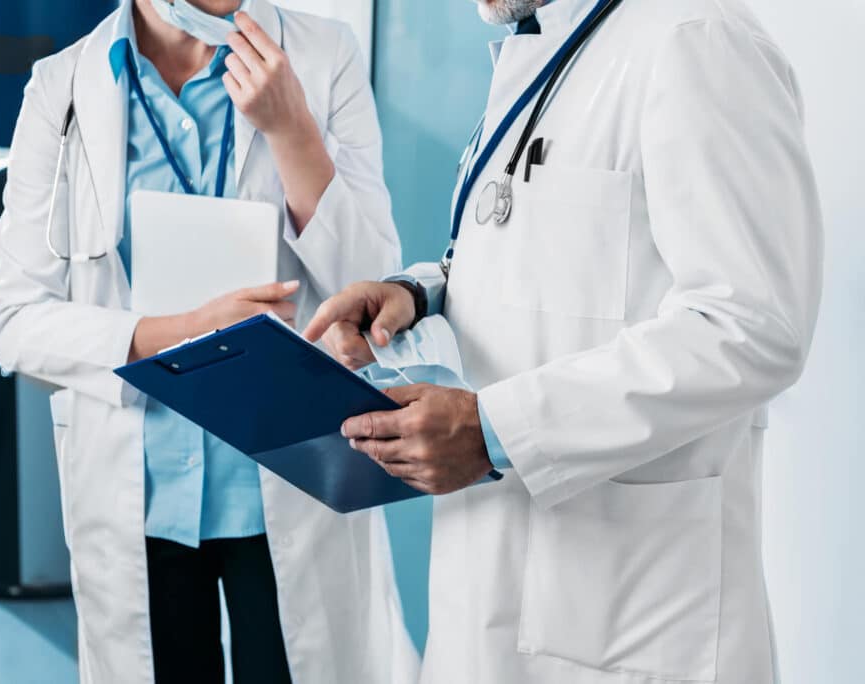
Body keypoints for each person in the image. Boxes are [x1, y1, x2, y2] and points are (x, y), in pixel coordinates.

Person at [305, 0, 824, 682]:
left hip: (631, 614)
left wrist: (494, 429)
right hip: (493, 583)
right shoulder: (546, 48)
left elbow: (754, 324)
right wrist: (418, 293)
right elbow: (543, 255)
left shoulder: (698, 37)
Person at [0, 1, 418, 683]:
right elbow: (14, 320)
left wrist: (291, 127)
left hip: (285, 479)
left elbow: (368, 284)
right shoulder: (62, 87)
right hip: (139, 495)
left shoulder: (324, 56)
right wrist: (186, 333)